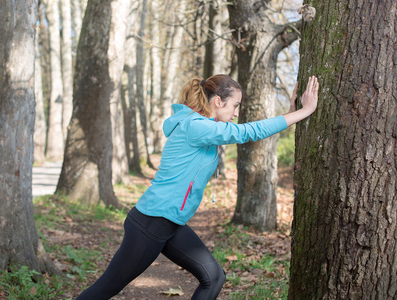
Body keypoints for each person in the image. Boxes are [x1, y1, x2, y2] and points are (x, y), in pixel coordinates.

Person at [76, 74, 319, 300]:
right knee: (106, 287)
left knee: (214, 277)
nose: (236, 113)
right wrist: (306, 110)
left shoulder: (201, 126)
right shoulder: (196, 126)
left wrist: (291, 114)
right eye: (235, 105)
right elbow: (248, 132)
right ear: (218, 101)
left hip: (170, 223)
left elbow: (248, 131)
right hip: (151, 222)